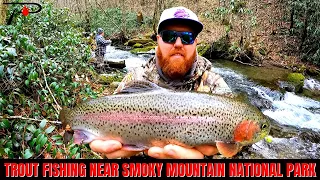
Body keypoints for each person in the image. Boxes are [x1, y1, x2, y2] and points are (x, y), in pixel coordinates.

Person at [89, 7, 233, 159]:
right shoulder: (135, 80)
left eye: (187, 37)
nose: (178, 43)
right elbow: (108, 135)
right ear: (158, 40)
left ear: (195, 43)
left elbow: (241, 146)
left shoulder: (215, 87)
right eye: (169, 36)